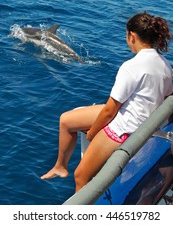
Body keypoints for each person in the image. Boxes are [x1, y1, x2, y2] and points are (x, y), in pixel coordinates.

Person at [41, 12, 173, 192]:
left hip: (125, 128)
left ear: (132, 36)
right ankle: (60, 167)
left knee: (81, 176)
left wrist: (93, 132)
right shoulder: (165, 65)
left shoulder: (131, 66)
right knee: (66, 120)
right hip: (139, 118)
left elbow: (110, 111)